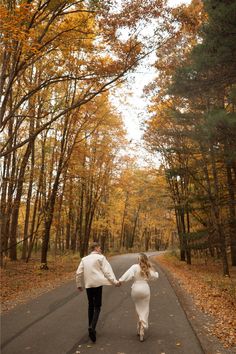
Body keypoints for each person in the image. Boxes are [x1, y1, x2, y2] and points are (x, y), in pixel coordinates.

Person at [76, 242, 119, 342]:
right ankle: (92, 327)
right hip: (98, 284)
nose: (101, 249)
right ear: (95, 248)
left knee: (90, 305)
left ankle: (90, 326)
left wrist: (78, 284)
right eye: (99, 247)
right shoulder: (101, 258)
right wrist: (115, 282)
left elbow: (78, 273)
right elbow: (107, 272)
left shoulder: (84, 259)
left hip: (88, 285)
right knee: (97, 306)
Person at [118, 253, 159, 342]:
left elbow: (127, 275)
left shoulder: (134, 267)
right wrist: (155, 271)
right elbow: (155, 276)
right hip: (145, 289)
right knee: (144, 309)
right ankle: (142, 330)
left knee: (138, 308)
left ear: (139, 260)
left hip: (136, 289)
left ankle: (138, 327)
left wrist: (120, 281)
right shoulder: (148, 268)